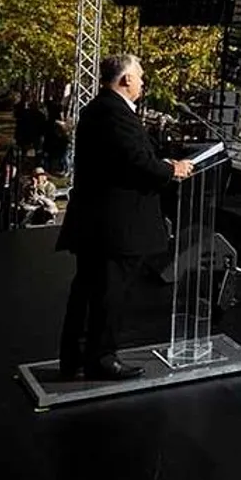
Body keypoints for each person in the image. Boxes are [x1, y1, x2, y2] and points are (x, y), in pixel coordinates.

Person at [57, 54, 193, 380]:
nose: (144, 81)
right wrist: (171, 169)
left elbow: (126, 158)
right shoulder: (112, 113)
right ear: (125, 79)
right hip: (113, 226)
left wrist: (160, 163)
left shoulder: (102, 110)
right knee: (106, 293)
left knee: (90, 290)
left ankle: (76, 356)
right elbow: (136, 162)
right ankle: (100, 358)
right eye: (140, 75)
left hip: (102, 224)